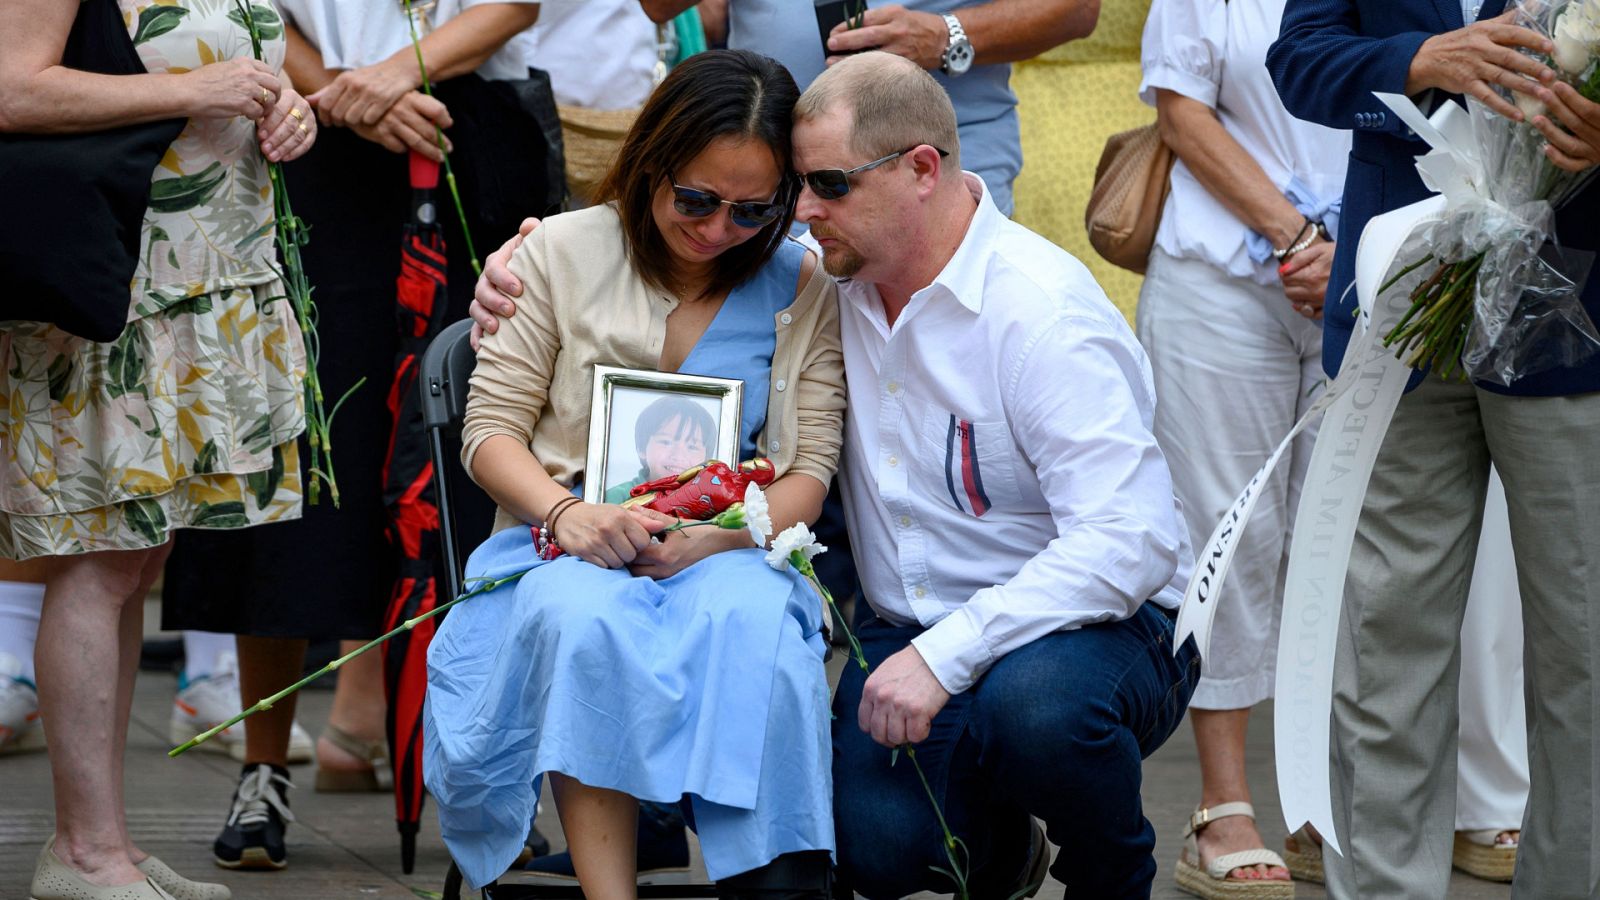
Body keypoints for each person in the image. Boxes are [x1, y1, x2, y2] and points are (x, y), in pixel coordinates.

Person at [468, 48, 1199, 897]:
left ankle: (1111, 871)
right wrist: (519, 260)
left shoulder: (1040, 317)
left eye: (828, 187)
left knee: (1037, 716)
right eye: (799, 190)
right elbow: (625, 253)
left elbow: (1130, 542)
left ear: (922, 169)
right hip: (908, 629)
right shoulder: (835, 282)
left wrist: (949, 655)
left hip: (1086, 626)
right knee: (873, 847)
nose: (803, 214)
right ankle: (996, 849)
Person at [424, 48, 846, 898]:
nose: (717, 228)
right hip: (560, 544)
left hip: (726, 546)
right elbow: (490, 433)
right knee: (584, 620)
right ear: (651, 160)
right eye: (695, 199)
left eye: (751, 210)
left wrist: (707, 541)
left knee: (754, 624)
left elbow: (809, 474)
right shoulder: (559, 253)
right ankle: (606, 890)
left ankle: (769, 882)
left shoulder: (801, 282)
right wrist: (566, 514)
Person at [156, 0, 544, 872]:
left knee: (473, 464)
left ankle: (482, 785)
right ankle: (263, 770)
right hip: (304, 134)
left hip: (455, 129)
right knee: (291, 451)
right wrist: (341, 92)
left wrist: (395, 76)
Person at [1269, 3, 1600, 897]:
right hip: (1400, 309)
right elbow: (1298, 58)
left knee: (1586, 658)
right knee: (1386, 653)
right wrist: (1421, 58)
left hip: (1582, 312)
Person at [0, 0, 317, 896]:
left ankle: (105, 842)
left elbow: (242, 73)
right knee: (100, 560)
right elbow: (10, 88)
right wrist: (193, 86)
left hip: (210, 275)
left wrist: (289, 105)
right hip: (118, 284)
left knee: (135, 557)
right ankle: (83, 849)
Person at [1136, 0, 1346, 894]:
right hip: (1221, 277)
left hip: (1371, 268)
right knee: (1229, 537)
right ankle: (1224, 805)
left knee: (1344, 543)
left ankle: (1317, 801)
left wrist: (1351, 252)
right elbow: (1181, 110)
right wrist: (1298, 236)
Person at [638, 0, 1101, 215]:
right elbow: (659, 6)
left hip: (933, 169)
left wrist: (945, 35)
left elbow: (1078, 9)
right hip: (770, 175)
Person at [603, 397, 718, 503]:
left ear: (707, 460)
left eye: (692, 447)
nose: (678, 455)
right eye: (666, 442)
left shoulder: (713, 504)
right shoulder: (615, 498)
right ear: (641, 449)